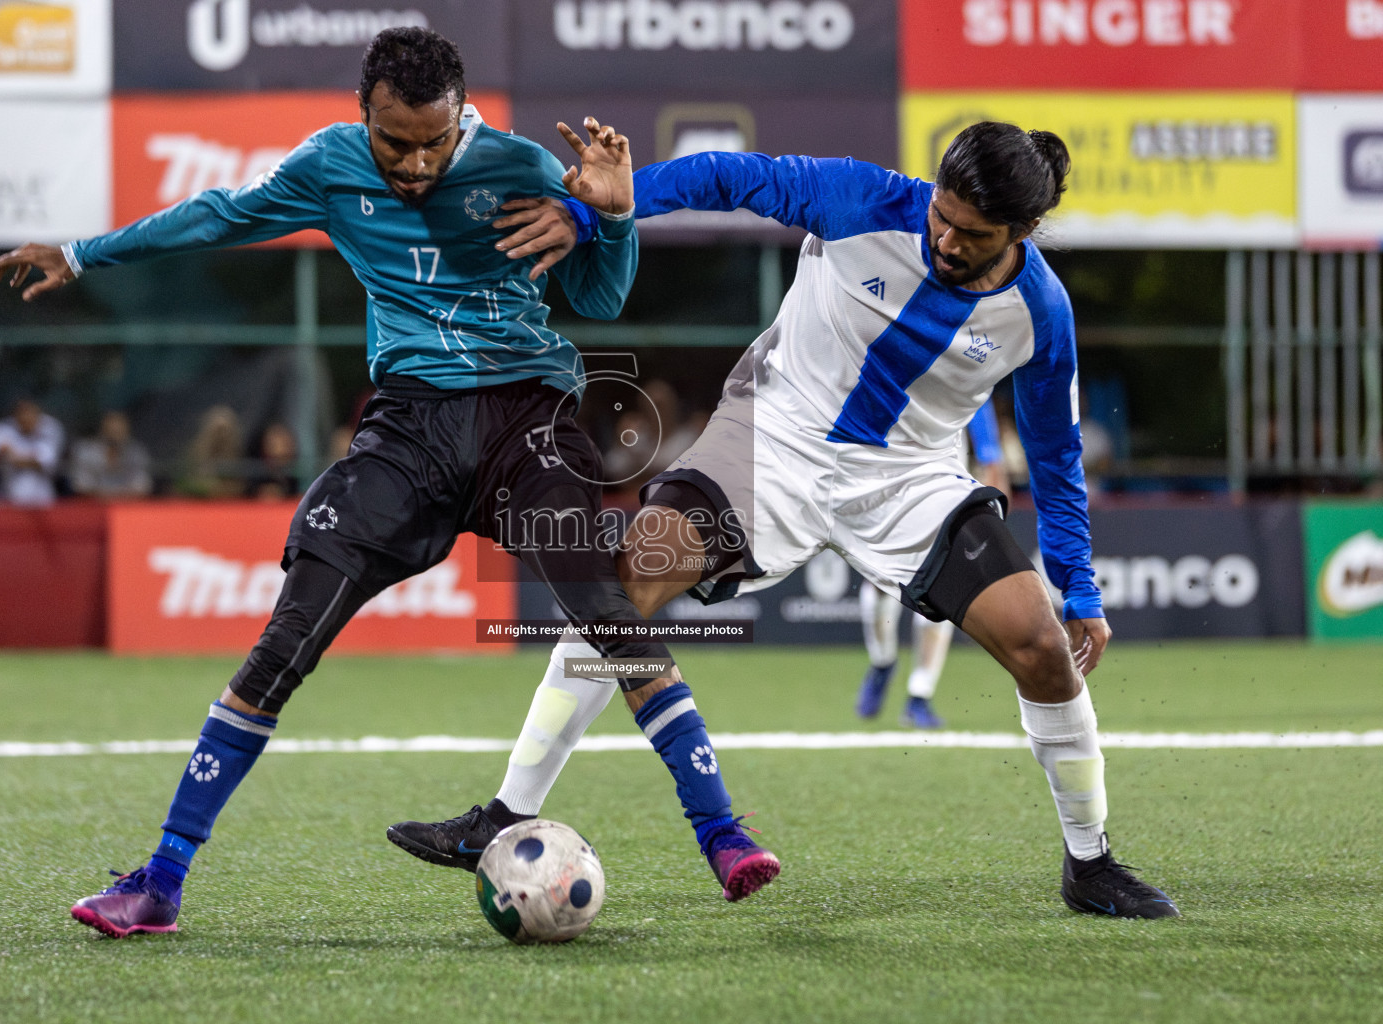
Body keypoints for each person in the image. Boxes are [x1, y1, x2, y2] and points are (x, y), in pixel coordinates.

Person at [0, 27, 773, 938]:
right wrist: (83, 255)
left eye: (435, 141)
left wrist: (616, 217)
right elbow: (219, 215)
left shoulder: (514, 164)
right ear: (364, 116)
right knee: (286, 642)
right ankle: (161, 880)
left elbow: (596, 300)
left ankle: (721, 834)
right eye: (397, 142)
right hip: (408, 432)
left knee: (607, 614)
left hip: (530, 424)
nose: (418, 162)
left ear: (460, 115)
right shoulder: (329, 167)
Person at [392, 122, 1179, 919]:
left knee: (1043, 646)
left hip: (908, 478)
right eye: (941, 215)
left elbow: (1056, 453)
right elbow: (733, 177)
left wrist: (1080, 587)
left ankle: (1091, 863)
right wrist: (612, 209)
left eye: (970, 235)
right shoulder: (862, 199)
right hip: (775, 436)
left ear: (1019, 234)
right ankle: (504, 814)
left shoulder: (1040, 311)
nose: (943, 237)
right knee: (622, 589)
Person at [856, 397, 1010, 729]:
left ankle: (919, 696)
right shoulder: (896, 364)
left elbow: (989, 446)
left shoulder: (969, 370)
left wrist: (993, 469)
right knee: (880, 584)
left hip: (947, 493)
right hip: (891, 489)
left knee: (942, 587)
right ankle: (883, 662)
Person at [0, 398, 64, 506]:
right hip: (6, 500)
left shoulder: (50, 428)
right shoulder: (0, 430)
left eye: (30, 414)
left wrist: (11, 455)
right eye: (22, 414)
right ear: (15, 416)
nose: (27, 418)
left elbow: (46, 462)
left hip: (41, 502)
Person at [70, 410, 153, 499]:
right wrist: (106, 495)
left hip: (128, 506)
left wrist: (117, 496)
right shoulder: (86, 452)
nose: (114, 436)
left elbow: (142, 485)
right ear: (102, 430)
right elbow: (81, 485)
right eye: (112, 430)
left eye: (119, 431)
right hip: (91, 505)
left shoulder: (136, 453)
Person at [176, 405, 246, 499]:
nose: (220, 436)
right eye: (217, 431)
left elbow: (241, 487)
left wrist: (223, 489)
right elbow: (182, 484)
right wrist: (205, 487)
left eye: (224, 431)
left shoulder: (240, 458)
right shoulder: (194, 455)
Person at [244, 422, 301, 500]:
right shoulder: (253, 473)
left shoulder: (300, 475)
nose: (280, 447)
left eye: (283, 442)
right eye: (274, 442)